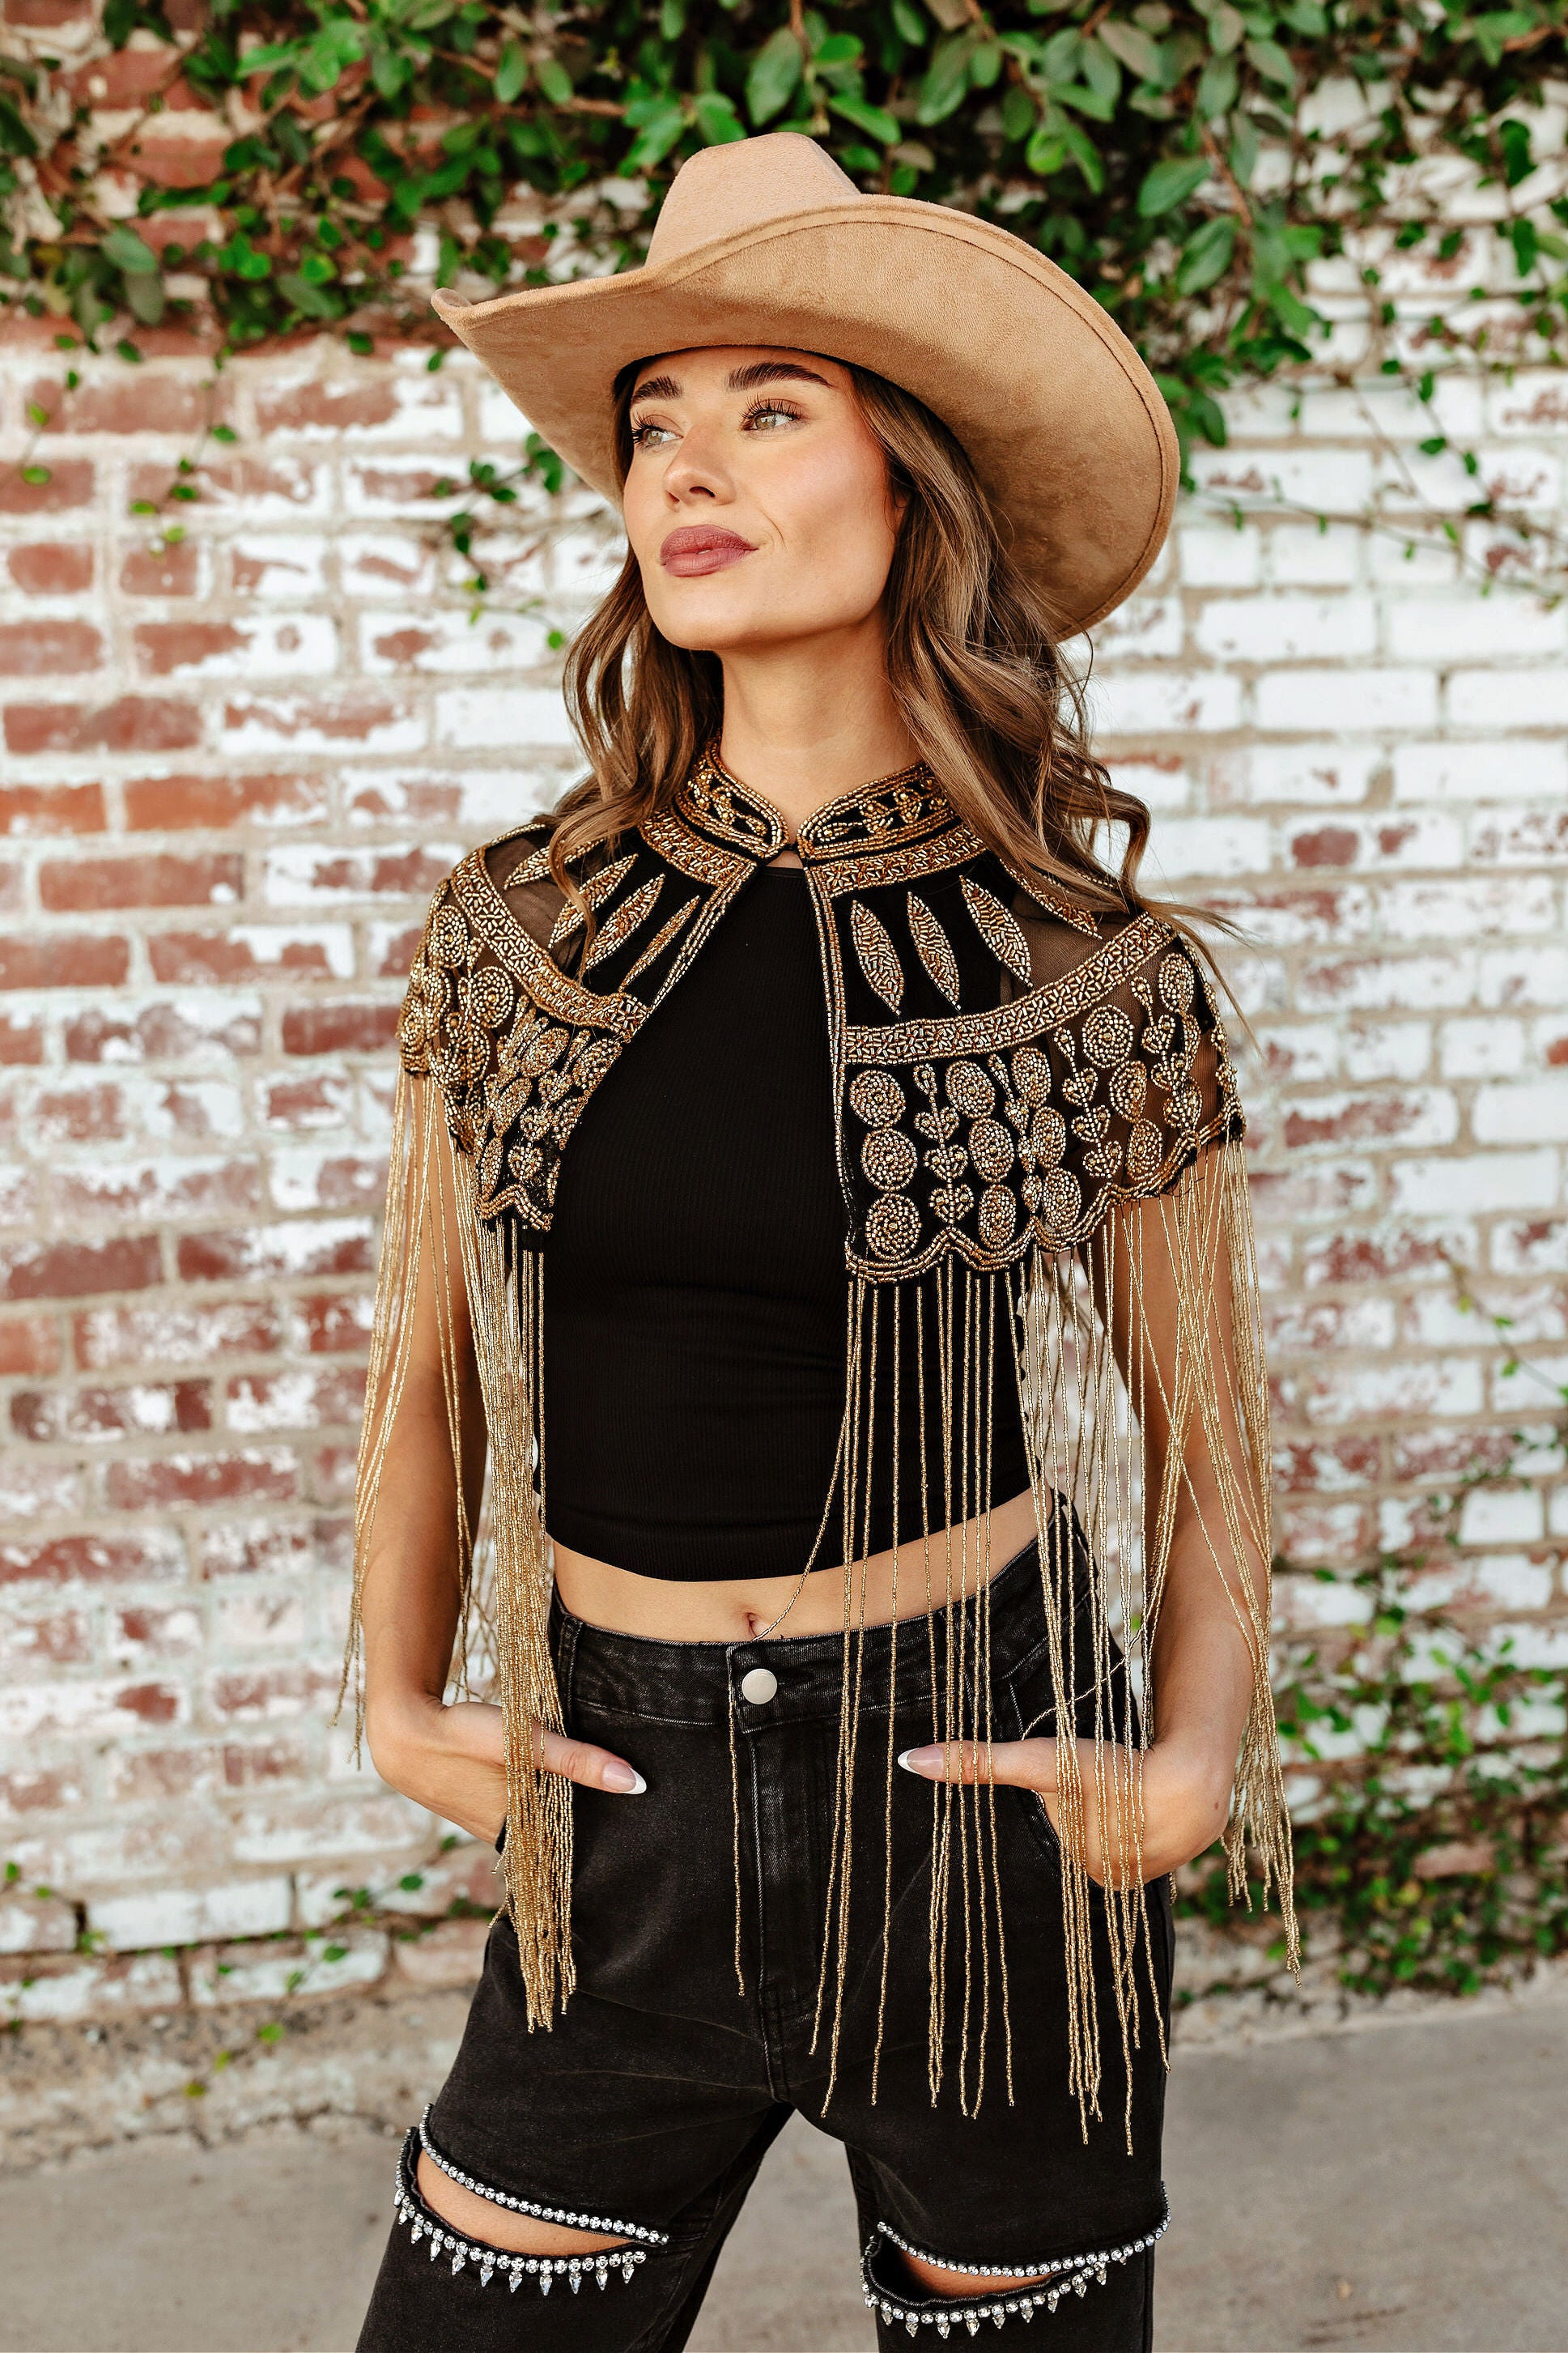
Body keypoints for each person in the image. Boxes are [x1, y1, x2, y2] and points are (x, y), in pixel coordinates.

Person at [345, 132, 1294, 2353]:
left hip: (976, 1789)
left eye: (770, 409)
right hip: (622, 1797)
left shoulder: (1083, 967)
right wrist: (392, 1698)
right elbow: (426, 1377)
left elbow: (1207, 1431)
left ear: (911, 484)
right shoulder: (517, 932)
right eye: (652, 424)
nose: (686, 466)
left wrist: (1191, 1760)